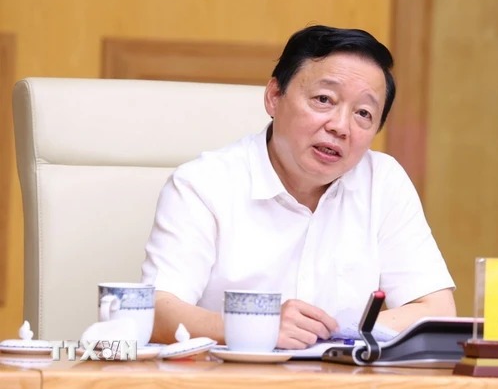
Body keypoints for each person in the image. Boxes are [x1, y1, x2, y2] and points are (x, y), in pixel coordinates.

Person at [141, 25, 456, 350]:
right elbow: (156, 312)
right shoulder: (202, 184)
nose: (340, 127)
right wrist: (256, 326)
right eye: (324, 99)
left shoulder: (383, 181)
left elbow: (436, 310)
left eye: (363, 113)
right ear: (274, 97)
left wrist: (338, 332)